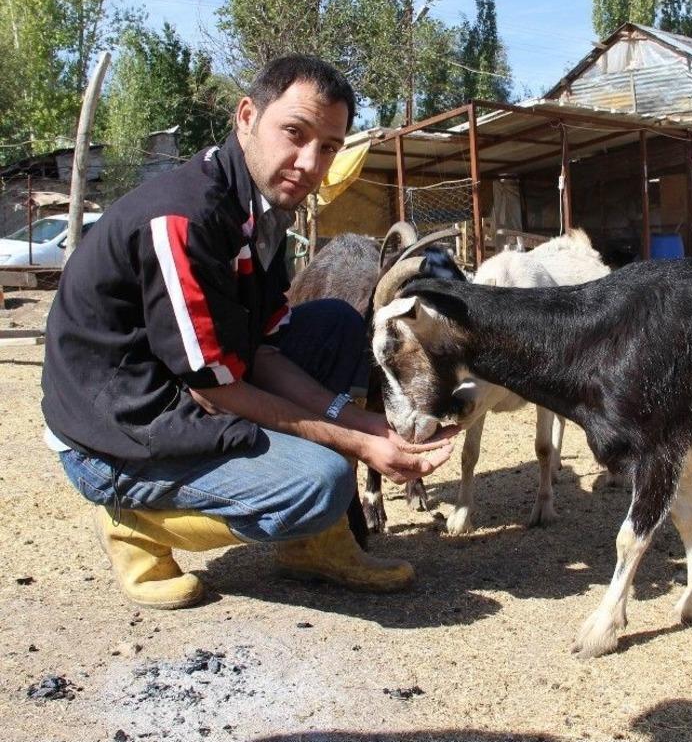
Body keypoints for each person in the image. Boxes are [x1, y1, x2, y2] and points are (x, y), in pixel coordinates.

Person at [41, 54, 455, 610]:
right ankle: (135, 522)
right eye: (294, 132)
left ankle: (310, 546)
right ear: (246, 117)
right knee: (321, 483)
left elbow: (261, 352)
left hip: (180, 391)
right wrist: (356, 443)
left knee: (334, 324)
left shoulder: (260, 213)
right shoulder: (183, 221)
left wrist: (363, 421)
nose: (310, 162)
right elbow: (215, 389)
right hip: (119, 429)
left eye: (329, 146)